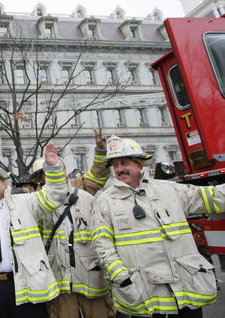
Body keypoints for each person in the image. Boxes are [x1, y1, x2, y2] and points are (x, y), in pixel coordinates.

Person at [90, 135, 225, 317]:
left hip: (184, 291)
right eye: (115, 165)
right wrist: (122, 278)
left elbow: (214, 197)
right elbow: (102, 244)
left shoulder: (169, 190)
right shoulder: (105, 202)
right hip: (145, 293)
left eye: (124, 163)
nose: (120, 169)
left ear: (139, 165)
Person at [0, 143, 67, 318]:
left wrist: (53, 167)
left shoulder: (25, 201)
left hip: (24, 282)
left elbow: (54, 197)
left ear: (4, 183)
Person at [44, 161, 115, 318]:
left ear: (65, 171)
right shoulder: (40, 204)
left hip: (90, 276)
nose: (56, 173)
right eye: (50, 170)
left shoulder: (87, 199)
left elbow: (102, 236)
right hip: (60, 279)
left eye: (59, 169)